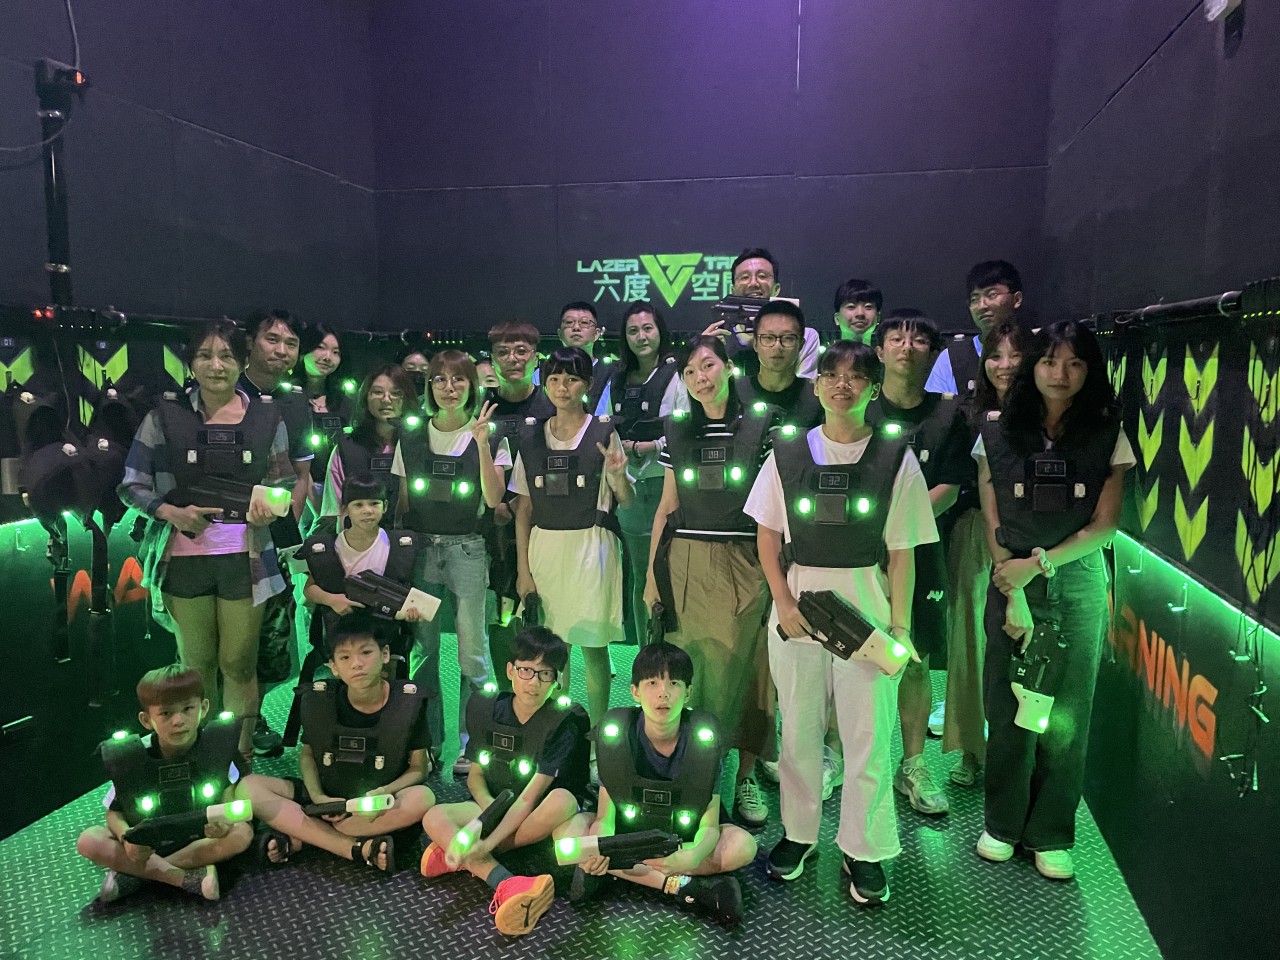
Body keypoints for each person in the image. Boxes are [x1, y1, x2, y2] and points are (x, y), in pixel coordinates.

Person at [746, 340, 937, 906]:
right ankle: (799, 834)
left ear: (874, 388)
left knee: (867, 736)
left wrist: (900, 628)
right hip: (799, 603)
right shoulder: (787, 451)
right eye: (831, 374)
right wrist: (783, 601)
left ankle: (864, 848)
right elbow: (766, 535)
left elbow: (902, 553)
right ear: (817, 384)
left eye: (856, 377)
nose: (842, 385)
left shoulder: (895, 456)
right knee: (799, 729)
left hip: (866, 606)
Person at [974, 321, 1134, 881]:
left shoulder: (1108, 431)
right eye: (1048, 361)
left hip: (1076, 579)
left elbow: (1105, 526)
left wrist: (1038, 566)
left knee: (1066, 714)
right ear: (1031, 367)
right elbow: (991, 509)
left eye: (1074, 363)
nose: (1060, 374)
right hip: (1010, 575)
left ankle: (1050, 832)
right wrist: (1012, 580)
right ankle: (1002, 824)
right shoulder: (996, 429)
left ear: (1090, 370)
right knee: (1007, 704)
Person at [118, 320, 293, 763]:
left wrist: (270, 505)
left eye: (227, 356)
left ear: (242, 361)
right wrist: (171, 512)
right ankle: (204, 764)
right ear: (190, 362)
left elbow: (284, 480)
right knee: (197, 668)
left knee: (239, 664)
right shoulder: (162, 416)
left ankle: (239, 759)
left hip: (247, 561)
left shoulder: (267, 417)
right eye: (205, 355)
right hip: (182, 562)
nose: (216, 365)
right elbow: (131, 484)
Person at [644, 334, 778, 828]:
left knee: (747, 674)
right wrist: (651, 576)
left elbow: (775, 511)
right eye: (690, 372)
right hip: (684, 564)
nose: (701, 378)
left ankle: (743, 776)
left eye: (708, 366)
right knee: (688, 671)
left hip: (745, 562)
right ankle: (689, 774)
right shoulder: (677, 432)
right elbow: (666, 508)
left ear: (728, 368)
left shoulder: (762, 427)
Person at [559, 642, 755, 927]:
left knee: (743, 846)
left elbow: (710, 826)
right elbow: (604, 818)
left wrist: (692, 855)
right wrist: (600, 849)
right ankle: (684, 886)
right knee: (568, 836)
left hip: (682, 837)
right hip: (629, 833)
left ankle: (615, 873)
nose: (663, 692)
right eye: (652, 682)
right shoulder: (618, 734)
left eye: (674, 683)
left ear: (688, 692)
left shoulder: (703, 739)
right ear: (635, 691)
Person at [865, 310, 973, 817]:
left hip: (923, 554)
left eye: (919, 340)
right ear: (879, 349)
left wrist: (896, 528)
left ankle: (912, 764)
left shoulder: (950, 416)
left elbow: (949, 489)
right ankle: (839, 757)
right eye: (896, 338)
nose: (907, 347)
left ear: (934, 353)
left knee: (915, 658)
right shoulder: (857, 407)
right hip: (857, 554)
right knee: (848, 657)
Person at [420, 626, 590, 937]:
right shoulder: (487, 708)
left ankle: (469, 857)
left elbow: (528, 798)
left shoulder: (561, 724)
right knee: (433, 816)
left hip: (536, 810)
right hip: (495, 802)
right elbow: (475, 777)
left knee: (562, 801)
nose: (534, 682)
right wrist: (489, 810)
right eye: (526, 670)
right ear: (510, 671)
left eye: (545, 674)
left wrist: (487, 842)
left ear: (557, 680)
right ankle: (506, 880)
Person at [235, 619, 436, 872]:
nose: (357, 664)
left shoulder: (407, 701)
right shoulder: (319, 699)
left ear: (385, 654)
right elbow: (307, 756)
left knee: (423, 798)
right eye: (345, 657)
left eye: (366, 652)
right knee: (249, 787)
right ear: (333, 667)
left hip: (377, 801)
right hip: (326, 794)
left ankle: (310, 834)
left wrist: (384, 790)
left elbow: (419, 768)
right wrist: (318, 798)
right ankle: (355, 847)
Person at [394, 350, 509, 776]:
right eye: (439, 379)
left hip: (468, 549)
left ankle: (473, 742)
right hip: (422, 550)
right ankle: (427, 743)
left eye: (458, 379)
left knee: (473, 651)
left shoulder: (489, 435)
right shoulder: (411, 436)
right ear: (429, 386)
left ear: (471, 386)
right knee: (423, 650)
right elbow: (401, 504)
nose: (449, 387)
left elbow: (494, 499)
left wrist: (481, 443)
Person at [511, 346, 632, 726]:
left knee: (593, 647)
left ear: (588, 384)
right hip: (545, 548)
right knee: (550, 649)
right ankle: (554, 730)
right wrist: (523, 571)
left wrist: (618, 476)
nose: (562, 387)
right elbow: (523, 510)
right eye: (554, 379)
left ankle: (598, 733)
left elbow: (626, 499)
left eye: (572, 379)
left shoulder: (603, 431)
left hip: (592, 547)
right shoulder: (531, 436)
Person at [940, 319, 1031, 785]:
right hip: (976, 530)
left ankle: (1022, 752)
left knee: (1027, 644)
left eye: (1016, 355)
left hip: (1037, 540)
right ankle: (972, 748)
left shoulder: (1051, 411)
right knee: (970, 641)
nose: (1005, 365)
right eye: (995, 356)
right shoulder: (968, 414)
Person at [77, 665, 251, 903]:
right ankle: (184, 877)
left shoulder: (216, 747)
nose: (178, 721)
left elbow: (228, 798)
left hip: (198, 840)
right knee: (89, 840)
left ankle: (137, 876)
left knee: (242, 833)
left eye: (188, 709)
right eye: (166, 714)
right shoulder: (133, 756)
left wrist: (223, 825)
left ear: (203, 708)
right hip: (148, 844)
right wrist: (127, 839)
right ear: (146, 720)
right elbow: (114, 813)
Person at [239, 309, 315, 758]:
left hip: (276, 541)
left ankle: (253, 716)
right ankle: (227, 728)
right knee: (230, 644)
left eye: (290, 344)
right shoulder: (224, 393)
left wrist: (287, 530)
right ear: (250, 341)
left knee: (275, 639)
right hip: (225, 539)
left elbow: (302, 475)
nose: (282, 350)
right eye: (272, 339)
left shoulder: (295, 402)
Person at [297, 473, 423, 694]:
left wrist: (412, 612)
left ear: (385, 507)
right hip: (341, 636)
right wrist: (332, 600)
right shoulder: (329, 547)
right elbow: (310, 589)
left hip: (384, 637)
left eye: (374, 504)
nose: (367, 510)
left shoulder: (398, 546)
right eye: (358, 505)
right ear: (345, 509)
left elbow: (408, 594)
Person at [609, 301, 681, 646]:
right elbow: (605, 427)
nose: (641, 336)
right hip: (632, 492)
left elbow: (685, 428)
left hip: (669, 486)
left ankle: (676, 658)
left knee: (673, 575)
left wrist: (648, 447)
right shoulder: (617, 378)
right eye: (633, 331)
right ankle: (646, 657)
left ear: (660, 331)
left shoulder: (678, 374)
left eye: (647, 328)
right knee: (642, 576)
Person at [318, 365, 417, 528]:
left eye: (396, 393)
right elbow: (337, 512)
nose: (386, 399)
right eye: (377, 392)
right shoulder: (347, 448)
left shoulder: (418, 445)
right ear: (365, 397)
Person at [713, 248, 821, 379]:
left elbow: (800, 387)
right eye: (745, 277)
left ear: (776, 289)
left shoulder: (804, 337)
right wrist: (706, 352)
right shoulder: (719, 340)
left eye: (762, 276)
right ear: (733, 290)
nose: (753, 283)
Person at [925, 260, 1024, 402]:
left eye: (992, 295)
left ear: (1017, 299)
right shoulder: (952, 358)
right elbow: (937, 410)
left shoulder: (1039, 349)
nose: (982, 305)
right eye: (974, 299)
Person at [732, 300, 823, 429]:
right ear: (755, 343)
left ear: (801, 344)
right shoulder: (734, 392)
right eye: (768, 338)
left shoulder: (817, 397)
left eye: (788, 338)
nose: (777, 346)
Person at [297, 323, 355, 494]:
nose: (328, 357)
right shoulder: (287, 397)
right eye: (320, 348)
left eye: (335, 352)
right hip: (297, 487)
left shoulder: (346, 400)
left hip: (340, 488)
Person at [536, 301, 615, 416]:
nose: (576, 328)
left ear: (597, 333)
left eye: (584, 323)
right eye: (569, 323)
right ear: (560, 334)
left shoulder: (612, 374)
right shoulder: (541, 373)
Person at [833, 279, 884, 345]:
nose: (860, 313)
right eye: (851, 307)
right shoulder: (826, 352)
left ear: (878, 317)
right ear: (837, 318)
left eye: (868, 307)